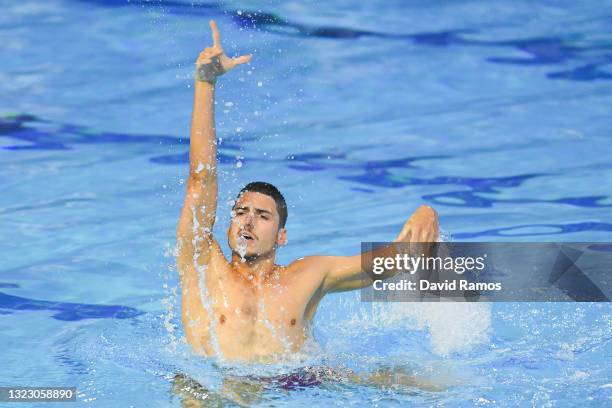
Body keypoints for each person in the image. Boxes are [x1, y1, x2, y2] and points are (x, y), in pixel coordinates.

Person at [175, 20, 439, 364]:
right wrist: (205, 83)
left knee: (416, 382)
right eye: (240, 212)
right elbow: (201, 179)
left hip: (290, 387)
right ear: (226, 226)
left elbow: (393, 262)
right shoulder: (203, 263)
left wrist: (427, 213)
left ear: (281, 236)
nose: (248, 221)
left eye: (262, 215)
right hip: (213, 390)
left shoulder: (308, 276)